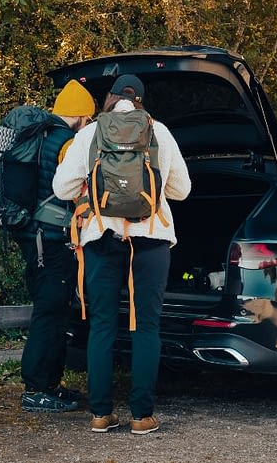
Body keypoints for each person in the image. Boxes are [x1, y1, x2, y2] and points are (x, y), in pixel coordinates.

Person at [52, 74, 191, 434]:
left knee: (102, 325)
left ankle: (101, 414)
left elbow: (61, 187)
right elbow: (182, 190)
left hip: (101, 237)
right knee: (146, 326)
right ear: (141, 101)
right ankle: (142, 417)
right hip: (153, 238)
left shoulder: (90, 133)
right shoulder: (159, 132)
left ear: (109, 99)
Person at [17, 79, 95, 413]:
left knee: (53, 311)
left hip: (34, 236)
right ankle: (35, 388)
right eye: (88, 119)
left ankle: (49, 384)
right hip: (52, 239)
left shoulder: (42, 136)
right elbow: (72, 190)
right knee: (50, 313)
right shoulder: (66, 143)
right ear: (79, 116)